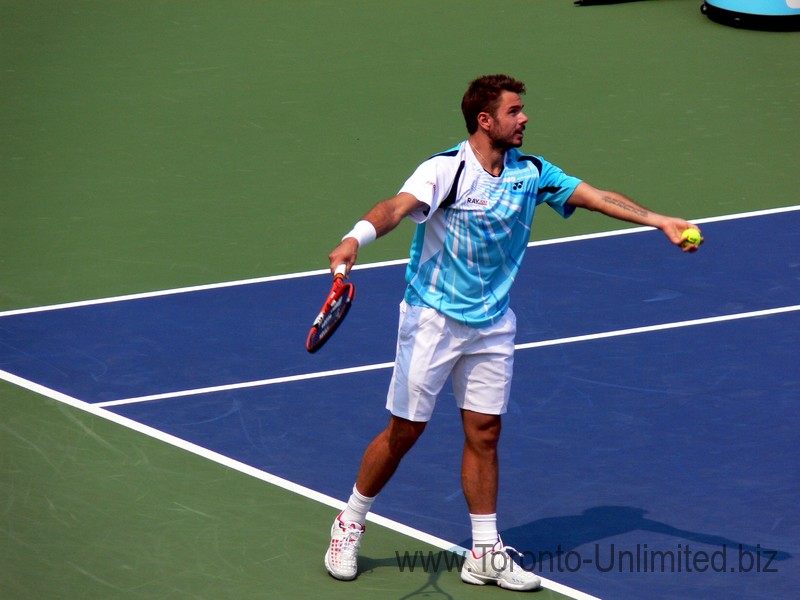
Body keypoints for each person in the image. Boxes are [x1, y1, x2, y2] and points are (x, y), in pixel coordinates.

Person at [323, 74, 701, 592]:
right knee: (406, 431)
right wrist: (354, 239)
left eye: (522, 111)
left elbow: (594, 196)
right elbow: (395, 208)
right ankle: (350, 521)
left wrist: (659, 220)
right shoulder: (444, 171)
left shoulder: (533, 172)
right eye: (514, 111)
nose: (524, 119)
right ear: (485, 120)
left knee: (485, 433)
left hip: (493, 322)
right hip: (432, 319)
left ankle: (484, 552)